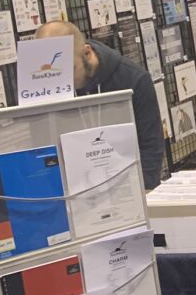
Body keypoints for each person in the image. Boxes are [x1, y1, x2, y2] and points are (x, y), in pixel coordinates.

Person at [34, 20, 164, 190]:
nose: (64, 79)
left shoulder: (133, 79)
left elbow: (151, 144)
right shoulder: (46, 87)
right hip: (72, 189)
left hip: (126, 183)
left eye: (71, 68)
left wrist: (144, 189)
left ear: (87, 53)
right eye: (56, 72)